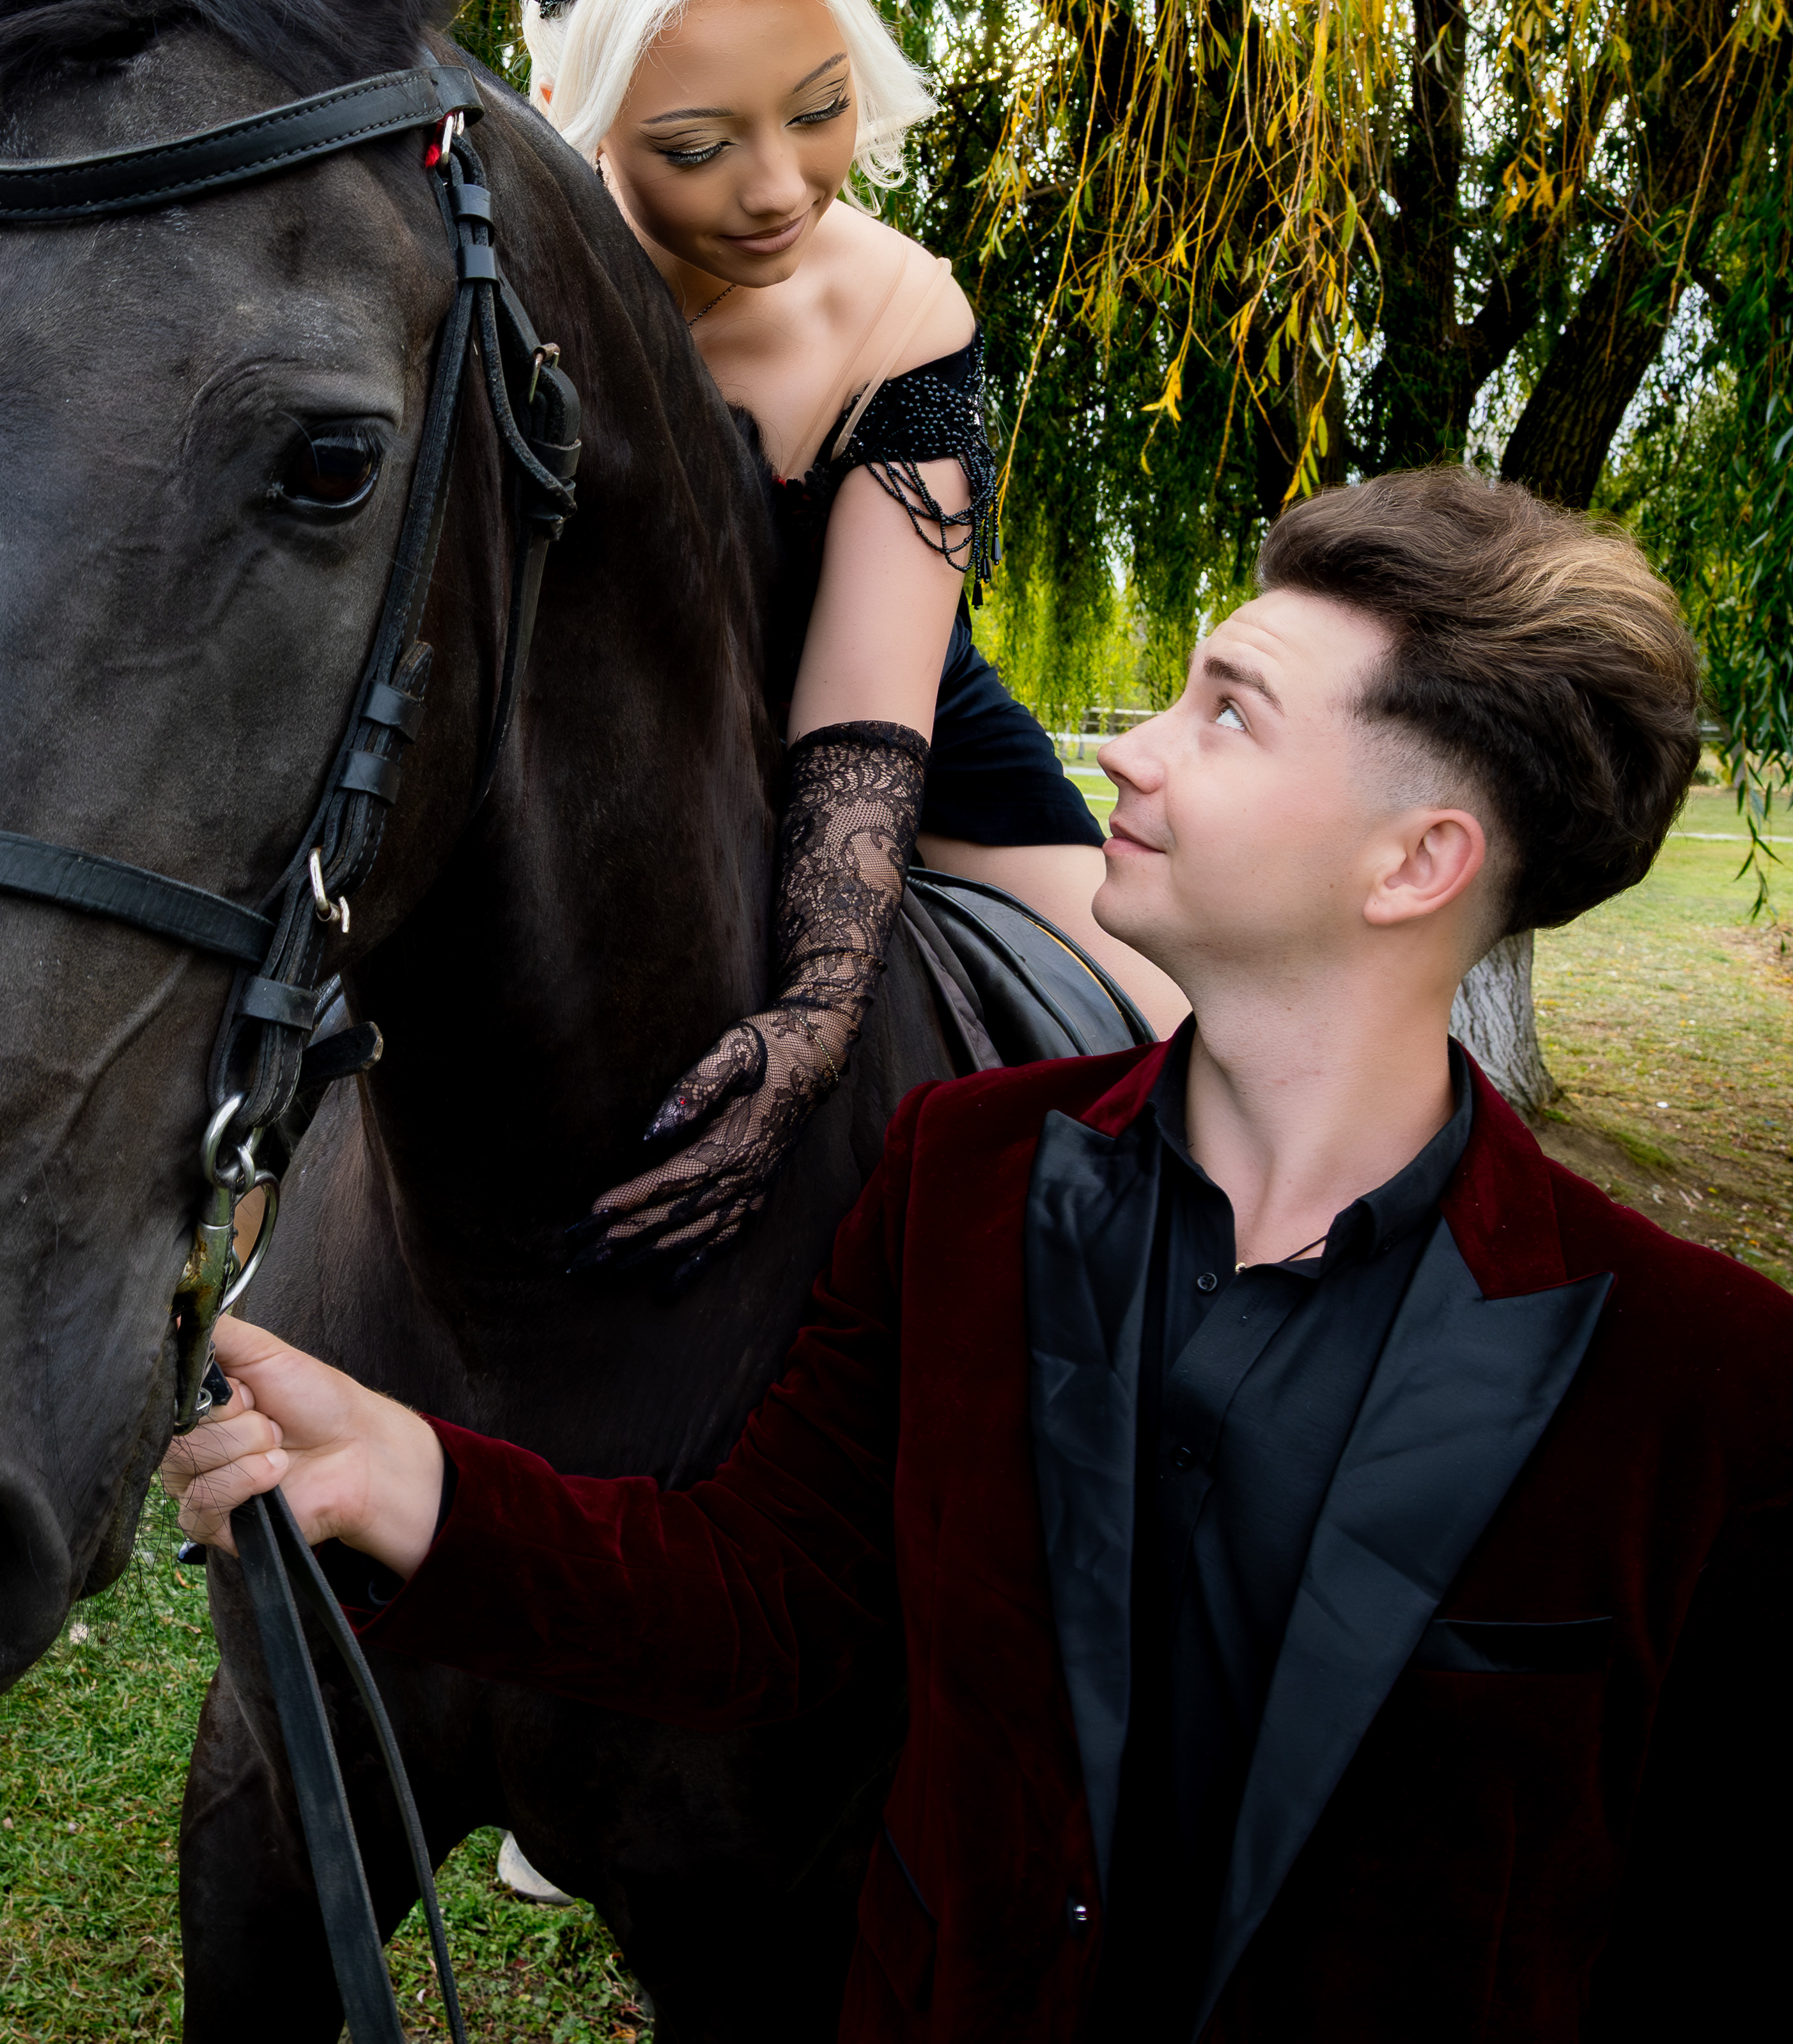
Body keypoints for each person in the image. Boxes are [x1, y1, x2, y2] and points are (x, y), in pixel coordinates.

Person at [163, 469, 1791, 2041]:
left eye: (1227, 713)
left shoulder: (1706, 1389)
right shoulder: (966, 1170)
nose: (1131, 749)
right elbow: (771, 1594)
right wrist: (414, 1478)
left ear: (1413, 861)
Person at [516, 0, 1186, 1283]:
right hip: (592, 753)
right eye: (697, 146)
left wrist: (823, 1006)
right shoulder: (487, 286)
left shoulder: (899, 312)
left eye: (818, 110)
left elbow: (866, 698)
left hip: (905, 747)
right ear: (576, 115)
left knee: (1190, 1066)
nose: (777, 188)